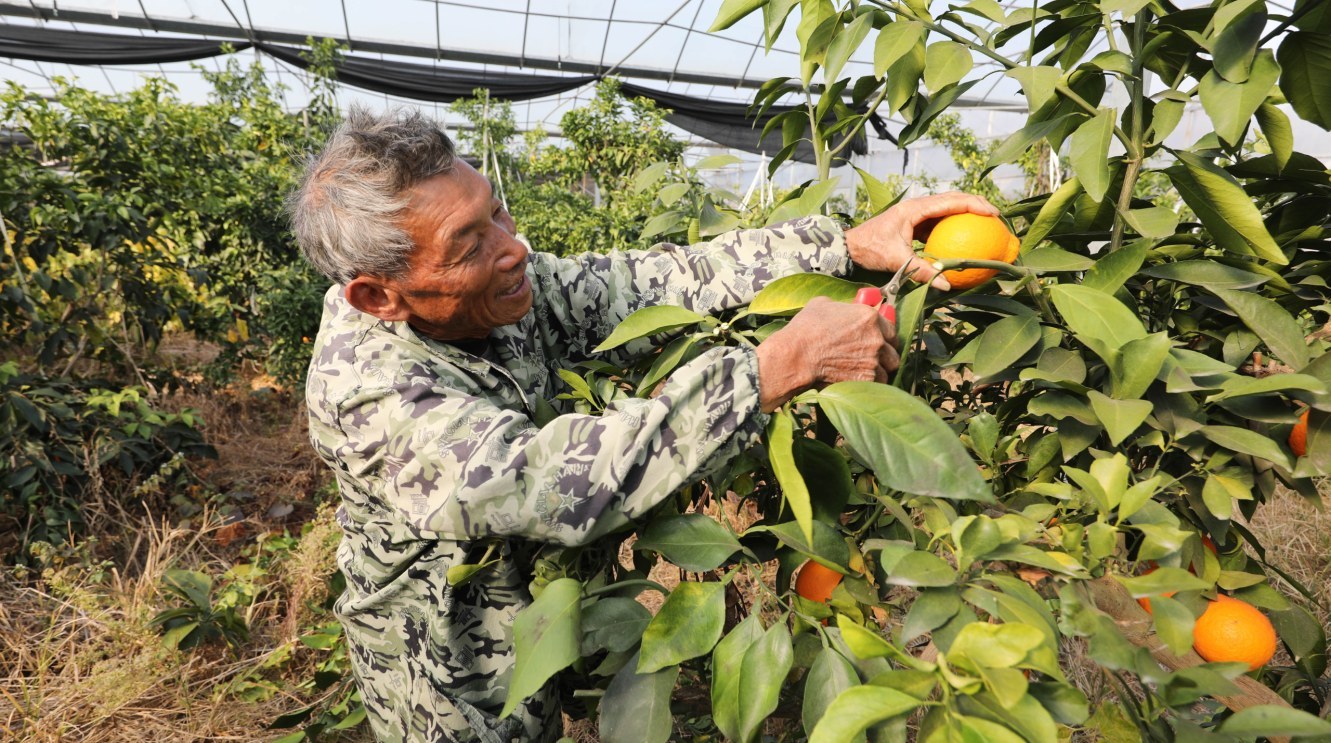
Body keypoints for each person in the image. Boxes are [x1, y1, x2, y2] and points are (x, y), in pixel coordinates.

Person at [289, 105, 999, 743]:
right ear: (378, 295)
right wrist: (771, 369)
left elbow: (647, 282)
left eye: (498, 215)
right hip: (445, 660)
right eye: (469, 244)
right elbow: (549, 482)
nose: (515, 248)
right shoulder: (369, 392)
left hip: (536, 610)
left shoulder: (501, 287)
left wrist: (844, 245)